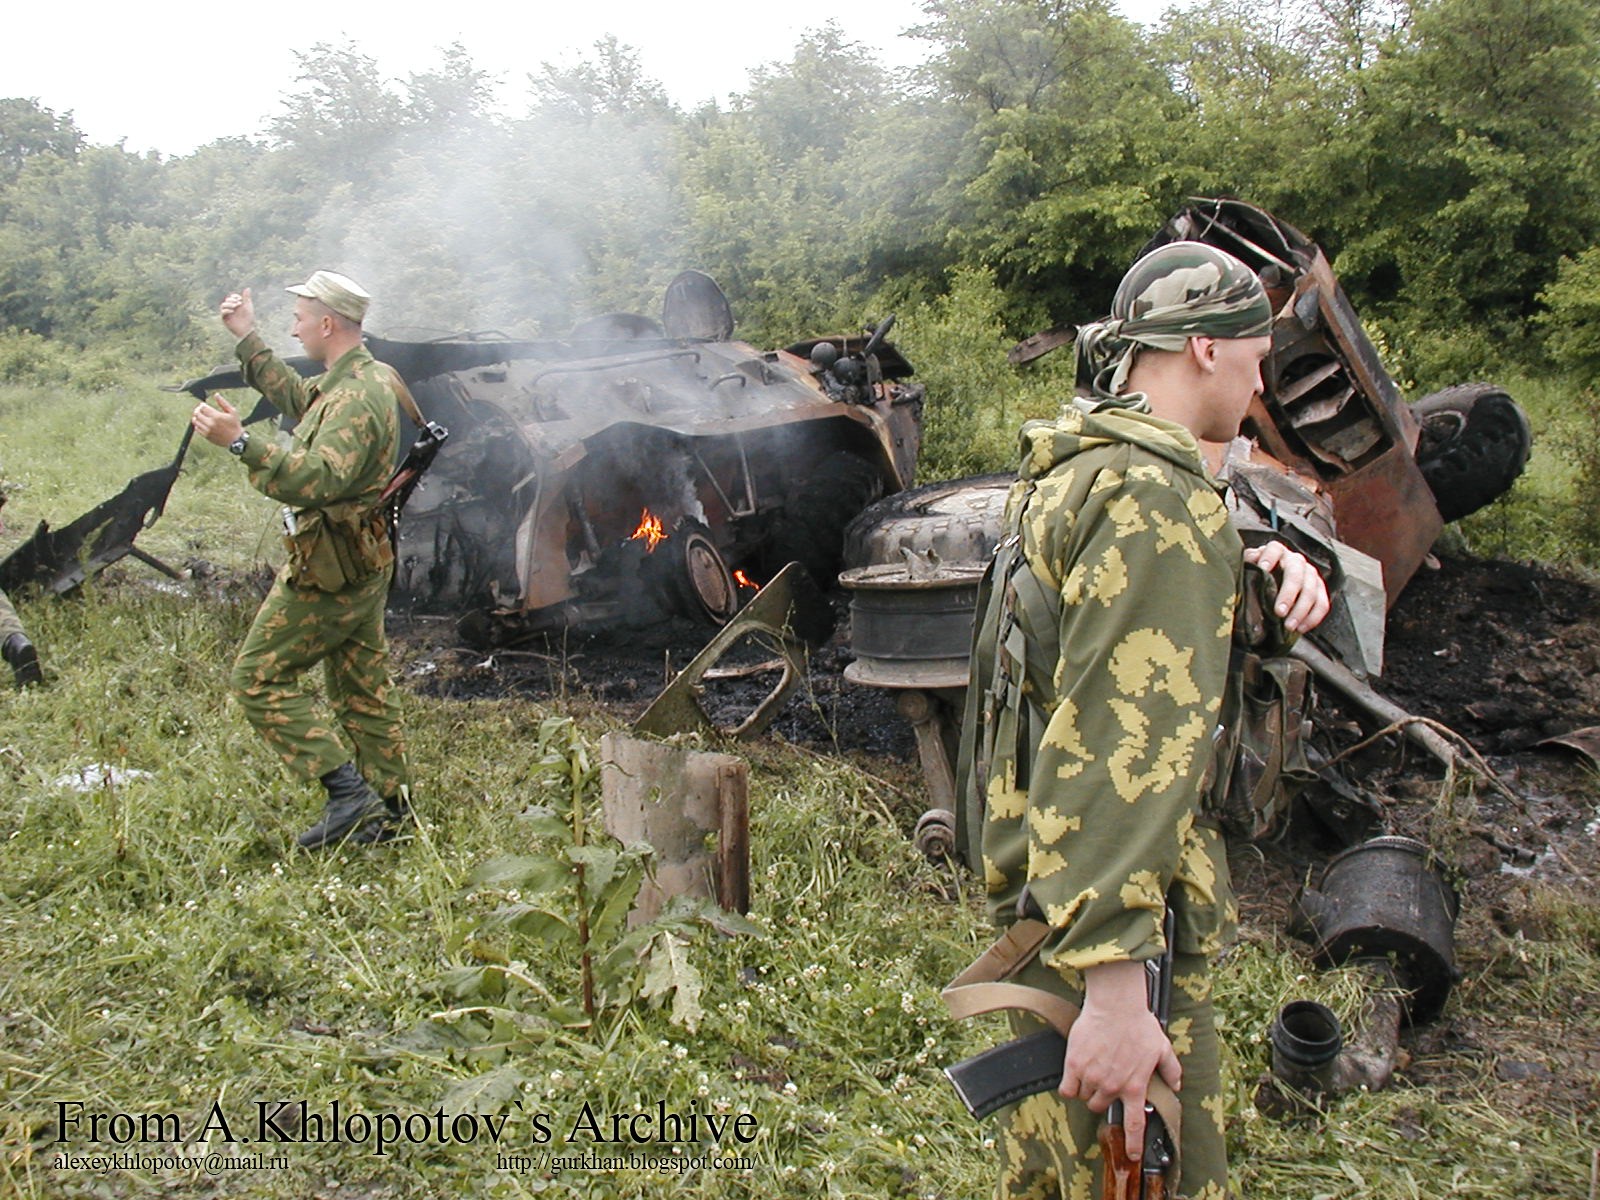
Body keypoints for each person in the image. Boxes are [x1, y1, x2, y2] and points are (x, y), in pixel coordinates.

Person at [959, 241, 1329, 1199]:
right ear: (1205, 346)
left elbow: (1088, 641)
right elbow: (1118, 750)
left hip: (1054, 901)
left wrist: (1257, 573)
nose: (1262, 378)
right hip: (1117, 932)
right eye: (1256, 352)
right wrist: (1120, 995)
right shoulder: (1156, 504)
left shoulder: (1084, 469)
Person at [191, 270, 411, 849]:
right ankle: (391, 810)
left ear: (328, 323)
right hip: (359, 559)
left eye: (298, 318)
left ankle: (350, 796)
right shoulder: (354, 379)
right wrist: (248, 337)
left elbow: (318, 478)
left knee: (257, 679)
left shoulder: (359, 395)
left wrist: (241, 442)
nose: (294, 328)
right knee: (361, 689)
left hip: (331, 567)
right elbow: (298, 398)